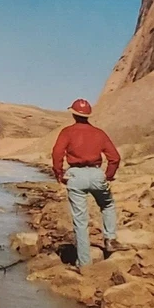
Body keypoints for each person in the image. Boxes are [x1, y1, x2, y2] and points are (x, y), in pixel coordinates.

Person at [51, 98, 120, 269]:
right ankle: (110, 239)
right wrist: (108, 177)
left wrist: (59, 175)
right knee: (108, 205)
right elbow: (115, 158)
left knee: (80, 221)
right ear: (88, 115)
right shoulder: (99, 133)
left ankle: (84, 264)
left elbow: (57, 154)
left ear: (73, 114)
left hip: (76, 175)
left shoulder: (67, 132)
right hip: (97, 174)